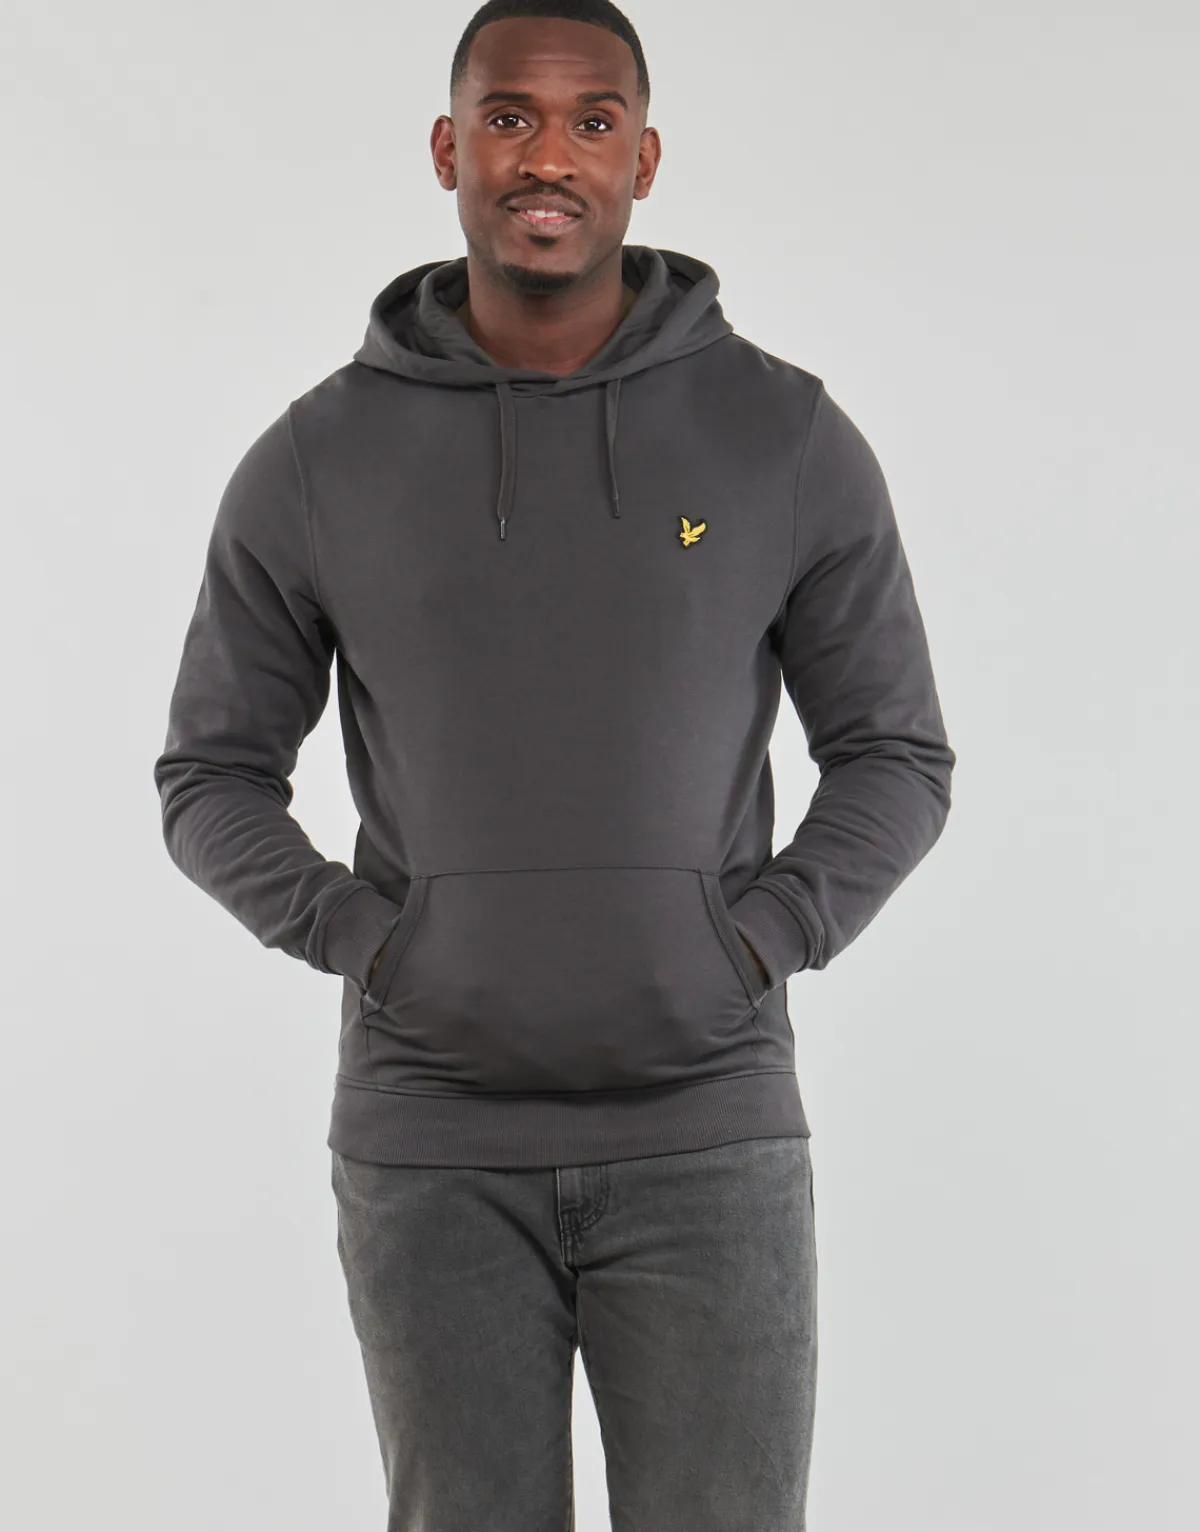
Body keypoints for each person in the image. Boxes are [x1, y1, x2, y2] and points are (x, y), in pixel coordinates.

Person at [153, 1, 956, 1526]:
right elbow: (211, 775)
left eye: (593, 122)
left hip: (707, 1130)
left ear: (643, 159)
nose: (549, 157)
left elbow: (894, 752)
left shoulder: (781, 436)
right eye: (509, 117)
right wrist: (366, 940)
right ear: (448, 149)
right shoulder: (317, 459)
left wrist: (762, 937)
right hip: (432, 1142)